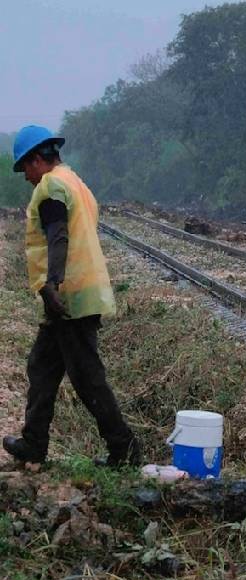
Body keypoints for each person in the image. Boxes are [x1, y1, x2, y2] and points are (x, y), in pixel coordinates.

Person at [2, 125, 140, 466]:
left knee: (87, 377)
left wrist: (52, 284)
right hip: (75, 293)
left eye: (25, 169)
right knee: (42, 367)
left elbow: (58, 236)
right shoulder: (76, 182)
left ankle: (124, 448)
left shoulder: (51, 186)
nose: (26, 178)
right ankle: (34, 442)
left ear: (37, 159)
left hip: (68, 296)